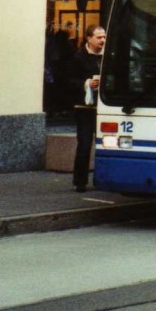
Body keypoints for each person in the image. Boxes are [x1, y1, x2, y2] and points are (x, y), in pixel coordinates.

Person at [68, 24, 105, 191]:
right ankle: (80, 182)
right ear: (89, 38)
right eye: (98, 37)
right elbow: (68, 80)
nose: (102, 40)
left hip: (104, 107)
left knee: (106, 144)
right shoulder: (78, 57)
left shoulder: (108, 56)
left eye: (104, 37)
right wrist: (87, 83)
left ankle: (103, 178)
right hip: (84, 107)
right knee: (84, 144)